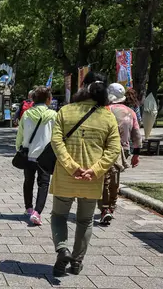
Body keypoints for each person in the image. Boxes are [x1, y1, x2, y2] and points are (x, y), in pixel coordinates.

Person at [49, 71, 121, 277]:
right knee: (85, 220)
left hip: (65, 176)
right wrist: (96, 169)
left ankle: (62, 249)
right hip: (92, 179)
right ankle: (77, 262)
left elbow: (56, 141)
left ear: (83, 86)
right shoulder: (107, 116)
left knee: (59, 216)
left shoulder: (66, 111)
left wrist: (72, 166)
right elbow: (114, 149)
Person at [100, 84, 142, 225]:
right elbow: (136, 134)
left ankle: (105, 208)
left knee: (103, 180)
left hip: (103, 149)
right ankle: (111, 207)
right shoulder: (131, 112)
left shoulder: (103, 110)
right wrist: (136, 153)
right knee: (115, 179)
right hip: (123, 150)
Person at [15, 86, 57, 226]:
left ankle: (29, 208)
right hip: (45, 155)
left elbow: (20, 134)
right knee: (43, 184)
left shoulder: (26, 114)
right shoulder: (53, 115)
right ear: (48, 99)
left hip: (28, 153)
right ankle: (37, 213)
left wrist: (19, 148)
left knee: (28, 181)